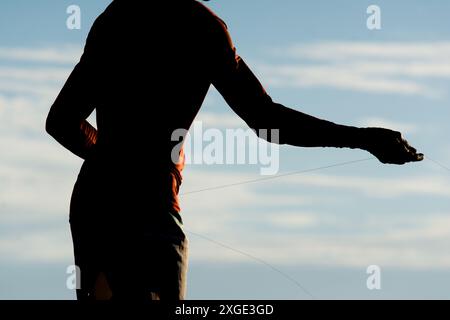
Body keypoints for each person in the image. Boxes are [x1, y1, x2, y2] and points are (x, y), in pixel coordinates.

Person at [46, 0, 423, 300]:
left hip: (94, 206)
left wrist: (114, 162)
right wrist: (361, 138)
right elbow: (266, 119)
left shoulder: (117, 16)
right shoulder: (202, 27)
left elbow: (62, 121)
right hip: (147, 212)